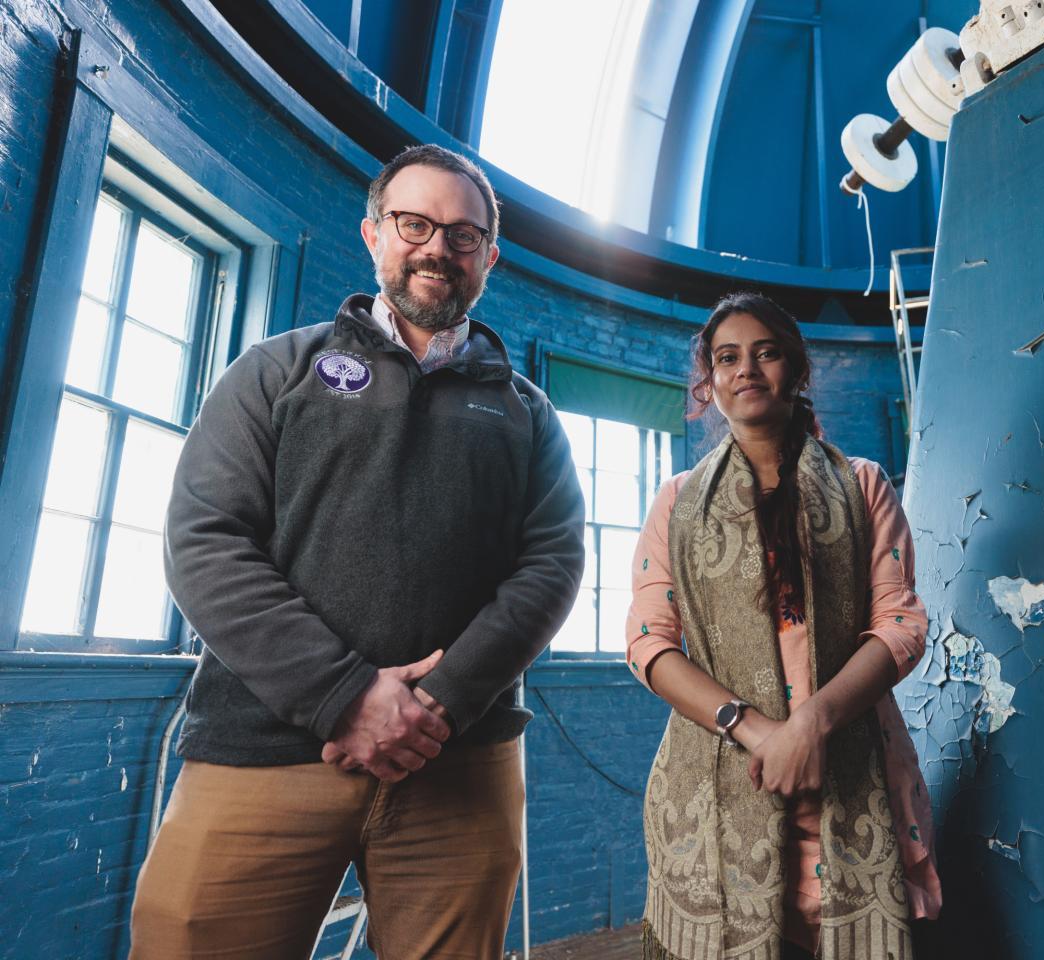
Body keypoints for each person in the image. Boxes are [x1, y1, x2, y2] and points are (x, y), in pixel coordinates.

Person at [129, 144, 586, 959]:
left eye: (463, 233)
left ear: (491, 256)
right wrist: (345, 695)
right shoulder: (275, 372)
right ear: (373, 233)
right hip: (263, 754)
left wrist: (437, 704)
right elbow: (206, 540)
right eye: (415, 223)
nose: (438, 247)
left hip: (459, 764)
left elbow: (550, 567)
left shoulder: (528, 413)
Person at [626, 292, 942, 960]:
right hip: (720, 785)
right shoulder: (677, 502)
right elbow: (648, 643)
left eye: (765, 352)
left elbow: (901, 624)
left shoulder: (862, 485)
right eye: (726, 358)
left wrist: (810, 726)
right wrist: (756, 729)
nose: (746, 369)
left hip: (851, 774)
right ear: (708, 383)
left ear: (795, 370)